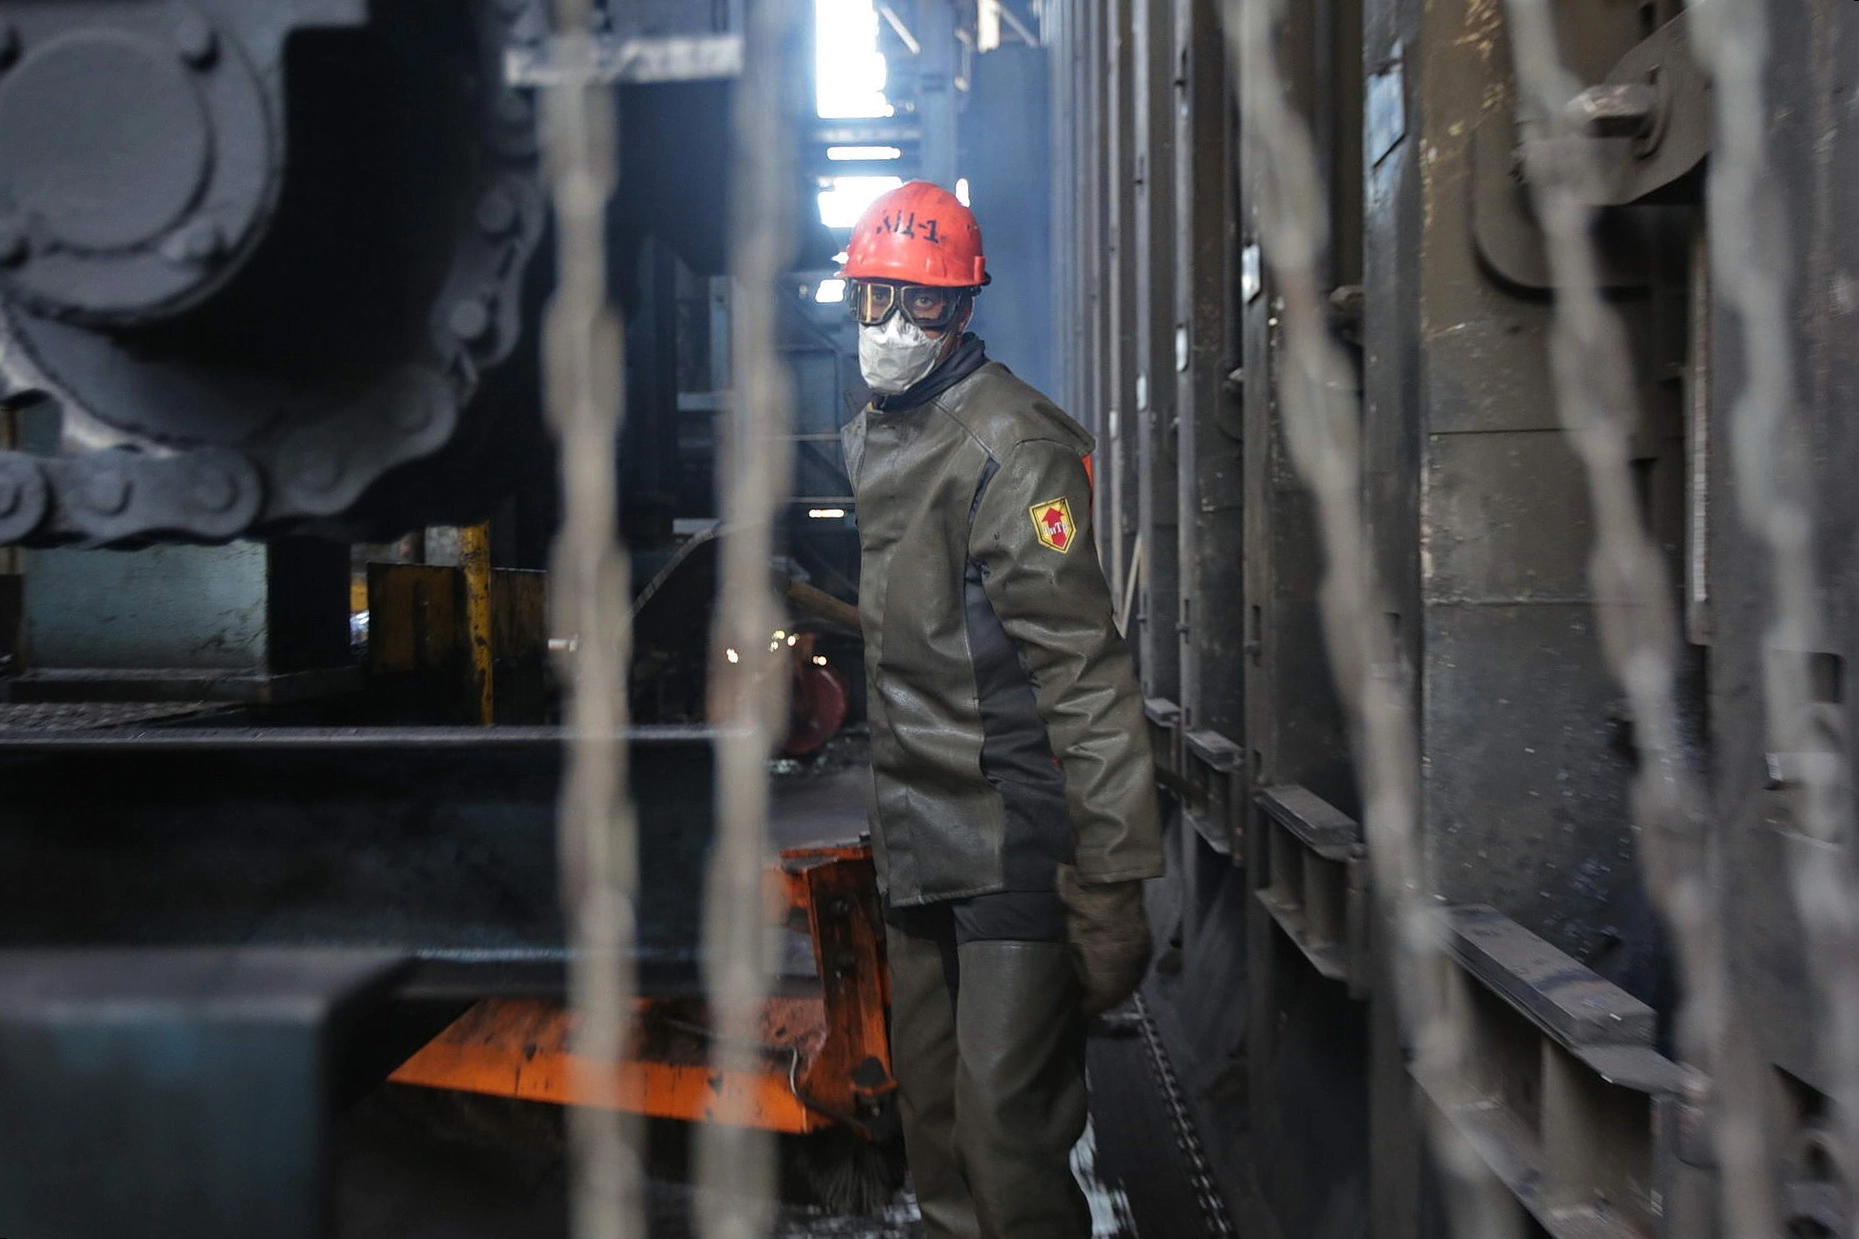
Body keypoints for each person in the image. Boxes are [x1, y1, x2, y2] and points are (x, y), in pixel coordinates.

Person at [838, 180, 1163, 1239]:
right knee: (934, 1136)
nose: (892, 326)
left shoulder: (1010, 450)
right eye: (875, 297)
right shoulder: (882, 432)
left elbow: (1084, 673)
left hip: (1010, 836)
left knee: (1003, 1143)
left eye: (921, 305)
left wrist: (1111, 875)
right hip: (918, 835)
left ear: (963, 310)